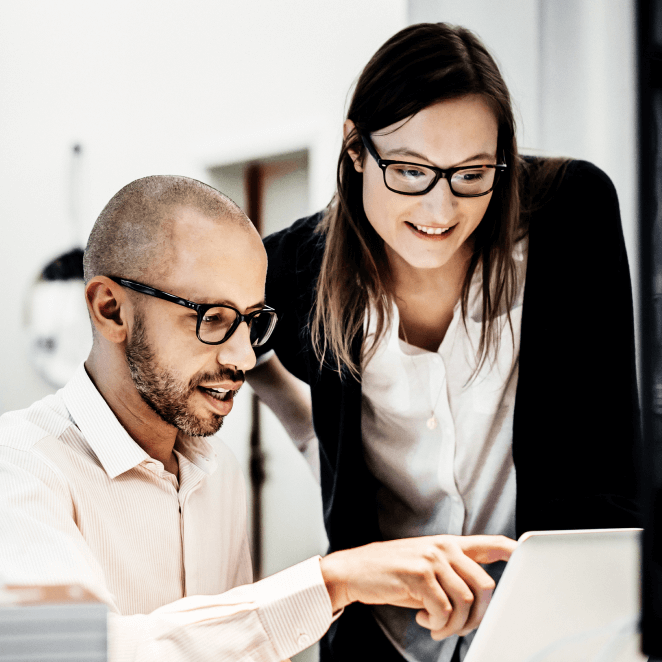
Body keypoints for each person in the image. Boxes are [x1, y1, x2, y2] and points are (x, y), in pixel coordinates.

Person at [246, 22, 641, 662]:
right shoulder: (297, 267)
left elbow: (608, 455)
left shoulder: (570, 217)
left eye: (471, 174)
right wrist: (305, 430)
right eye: (409, 171)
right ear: (355, 149)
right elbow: (210, 335)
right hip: (382, 642)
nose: (440, 209)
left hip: (554, 636)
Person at [0, 175, 516, 662]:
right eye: (214, 319)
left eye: (251, 322)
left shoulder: (215, 470)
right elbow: (78, 654)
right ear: (111, 309)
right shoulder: (19, 465)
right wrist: (333, 581)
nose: (245, 357)